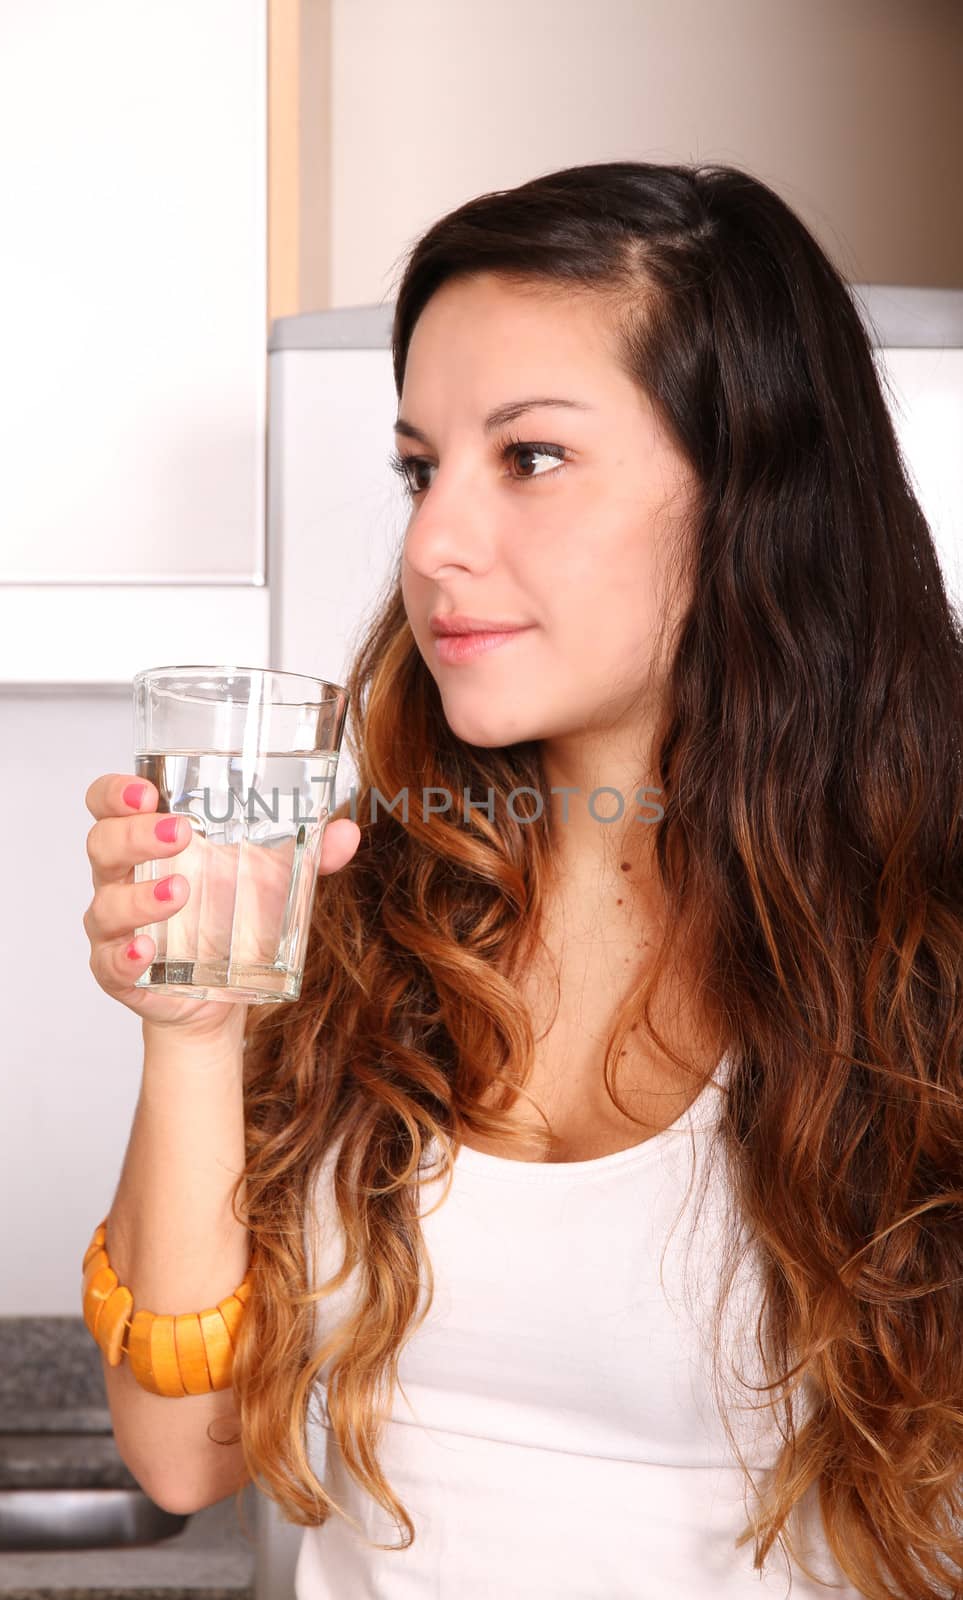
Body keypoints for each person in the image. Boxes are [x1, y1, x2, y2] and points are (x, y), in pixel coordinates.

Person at [81, 161, 963, 1599]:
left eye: (530, 458)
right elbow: (185, 1454)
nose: (432, 543)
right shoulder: (366, 901)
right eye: (421, 468)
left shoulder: (928, 937)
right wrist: (189, 1034)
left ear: (751, 482)